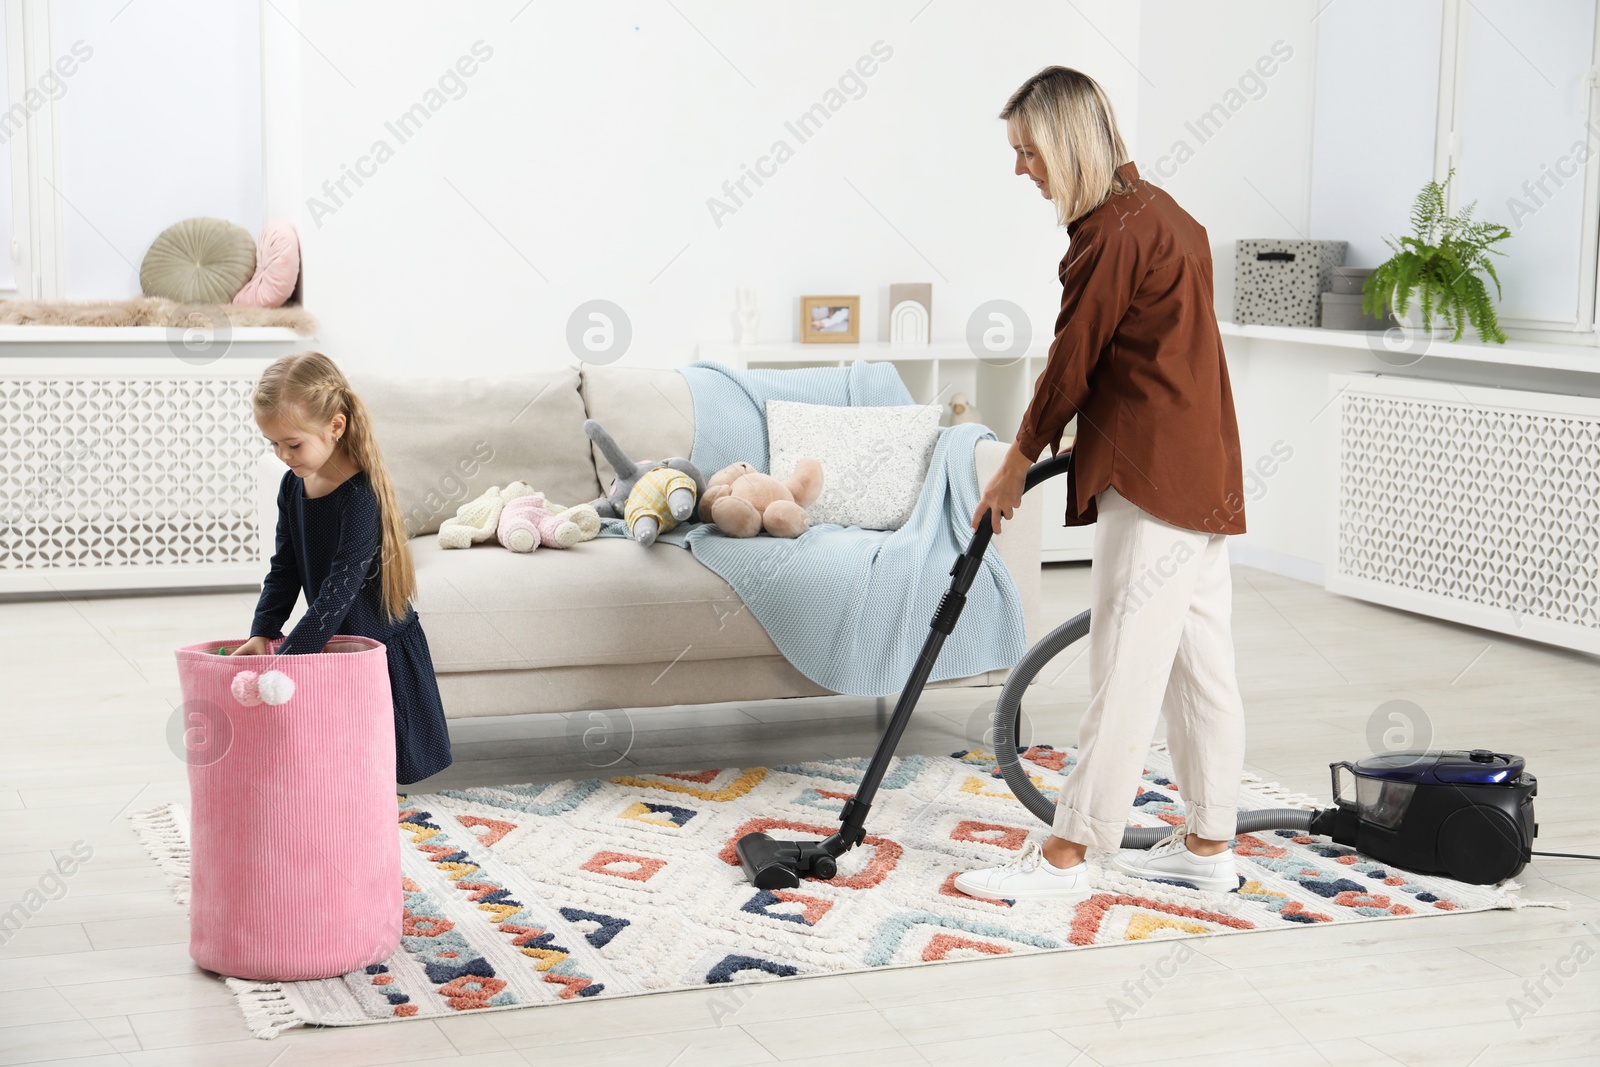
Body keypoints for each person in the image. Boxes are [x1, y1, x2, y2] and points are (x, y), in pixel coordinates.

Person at [956, 66, 1248, 901]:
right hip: (1204, 471)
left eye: (1028, 152)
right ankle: (1208, 842)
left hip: (1153, 476)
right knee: (1200, 662)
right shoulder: (1169, 216)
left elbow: (1070, 364)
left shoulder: (1112, 233)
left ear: (1067, 141)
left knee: (1124, 664)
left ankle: (1068, 857)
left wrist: (1015, 460)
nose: (1023, 170)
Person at [230, 351, 453, 786]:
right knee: (336, 763)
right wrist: (263, 630)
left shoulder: (360, 495)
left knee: (377, 763)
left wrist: (289, 658)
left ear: (335, 426)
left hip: (371, 644)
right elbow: (284, 568)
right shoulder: (292, 486)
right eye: (273, 444)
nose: (282, 455)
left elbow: (339, 589)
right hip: (334, 638)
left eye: (292, 444)